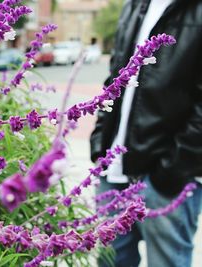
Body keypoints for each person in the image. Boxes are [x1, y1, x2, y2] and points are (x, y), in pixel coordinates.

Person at [90, 0, 202, 266]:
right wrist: (99, 142)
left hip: (166, 180)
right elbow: (115, 76)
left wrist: (171, 171)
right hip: (114, 172)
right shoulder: (135, 5)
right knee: (110, 261)